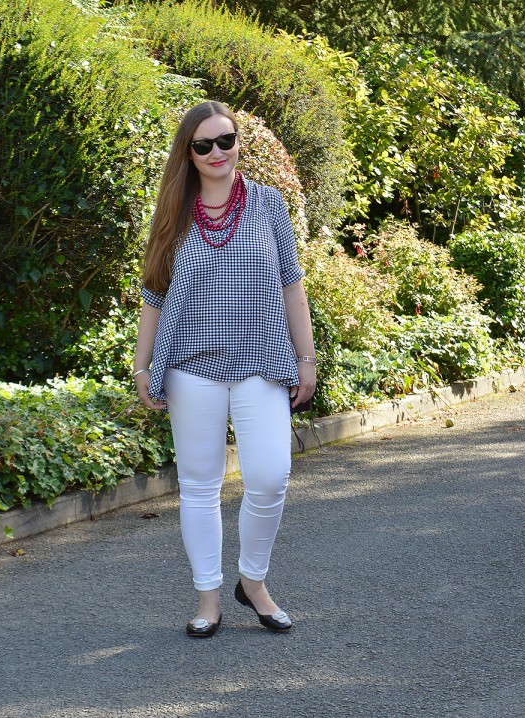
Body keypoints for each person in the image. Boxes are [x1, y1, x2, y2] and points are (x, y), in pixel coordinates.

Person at [133, 101, 316, 638]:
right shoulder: (174, 212)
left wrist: (305, 358)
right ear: (188, 153)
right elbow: (153, 293)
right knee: (199, 485)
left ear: (238, 142)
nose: (218, 152)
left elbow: (292, 286)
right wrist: (143, 364)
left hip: (261, 362)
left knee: (269, 476)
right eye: (204, 145)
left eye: (226, 140)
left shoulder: (267, 204)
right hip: (192, 367)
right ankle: (208, 597)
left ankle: (252, 582)